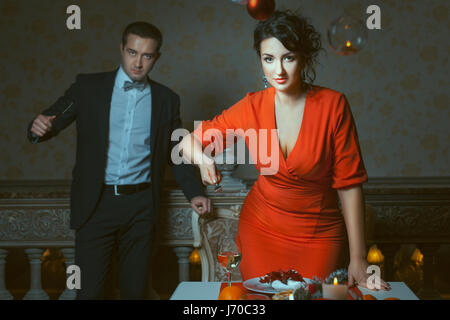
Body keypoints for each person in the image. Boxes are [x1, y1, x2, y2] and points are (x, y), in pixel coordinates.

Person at [179, 10, 390, 291]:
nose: (278, 70)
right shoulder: (251, 107)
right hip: (261, 230)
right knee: (260, 299)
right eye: (269, 59)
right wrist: (204, 159)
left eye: (288, 57)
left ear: (304, 58)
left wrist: (358, 257)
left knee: (312, 296)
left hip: (318, 234)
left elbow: (349, 185)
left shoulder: (333, 105)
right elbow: (186, 143)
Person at [27, 21, 211, 299]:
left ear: (156, 57)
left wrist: (194, 192)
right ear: (121, 50)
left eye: (146, 56)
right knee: (89, 293)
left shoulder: (166, 99)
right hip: (96, 204)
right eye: (132, 52)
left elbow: (178, 150)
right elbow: (51, 119)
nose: (138, 62)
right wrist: (38, 127)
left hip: (141, 207)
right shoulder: (88, 87)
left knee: (135, 292)